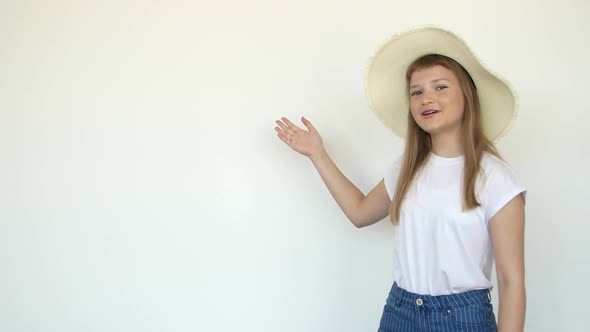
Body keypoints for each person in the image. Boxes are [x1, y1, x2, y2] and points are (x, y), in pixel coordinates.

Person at [274, 27, 526, 332]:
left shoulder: (496, 179)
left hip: (462, 320)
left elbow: (511, 282)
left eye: (440, 87)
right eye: (416, 91)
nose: (426, 98)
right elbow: (359, 212)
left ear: (467, 96)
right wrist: (318, 154)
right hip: (400, 313)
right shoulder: (408, 168)